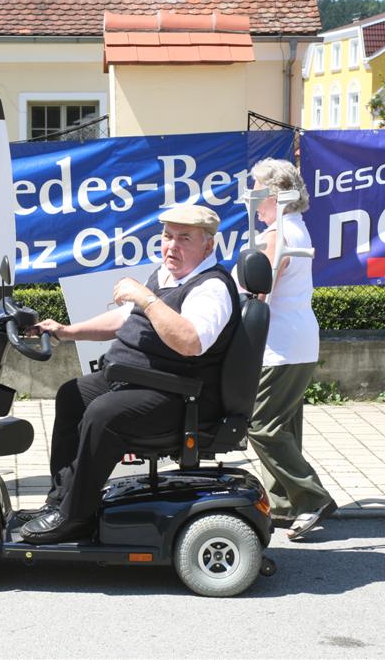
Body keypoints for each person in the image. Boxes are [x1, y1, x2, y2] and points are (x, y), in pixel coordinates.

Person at [18, 204, 240, 544]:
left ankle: (75, 517)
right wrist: (65, 330)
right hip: (138, 380)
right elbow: (125, 318)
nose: (171, 246)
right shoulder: (167, 276)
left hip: (180, 395)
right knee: (72, 394)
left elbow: (191, 342)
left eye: (184, 238)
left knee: (102, 414)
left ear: (208, 246)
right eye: (167, 236)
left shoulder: (210, 288)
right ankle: (61, 501)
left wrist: (148, 298)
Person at [246, 158, 336, 540]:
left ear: (276, 194)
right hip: (299, 342)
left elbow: (259, 289)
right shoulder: (296, 229)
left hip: (280, 345)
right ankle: (283, 504)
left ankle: (311, 497)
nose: (252, 196)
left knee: (261, 425)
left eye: (257, 189)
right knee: (283, 427)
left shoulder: (277, 234)